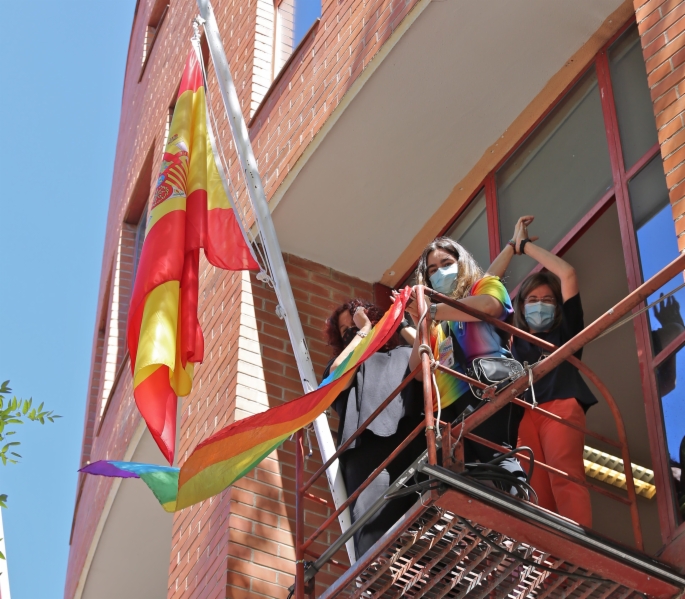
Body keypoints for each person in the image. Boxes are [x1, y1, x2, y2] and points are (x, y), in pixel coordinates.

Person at [487, 215, 597, 527]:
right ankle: (548, 569)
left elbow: (567, 273)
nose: (540, 305)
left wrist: (526, 247)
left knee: (565, 475)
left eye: (547, 300)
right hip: (524, 415)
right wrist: (510, 247)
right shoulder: (513, 340)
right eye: (532, 300)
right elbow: (486, 287)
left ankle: (579, 549)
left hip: (560, 404)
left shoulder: (567, 332)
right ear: (521, 308)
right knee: (535, 492)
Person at [405, 237, 524, 470]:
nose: (440, 272)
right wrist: (420, 322)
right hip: (448, 411)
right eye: (433, 270)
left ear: (462, 264)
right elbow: (417, 372)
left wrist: (433, 310)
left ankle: (518, 498)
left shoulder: (483, 285)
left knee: (499, 461)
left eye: (447, 263)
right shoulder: (434, 323)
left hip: (488, 388)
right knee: (455, 483)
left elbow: (489, 306)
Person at [323, 299, 423, 557]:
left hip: (411, 444)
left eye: (355, 324)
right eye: (346, 331)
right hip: (367, 454)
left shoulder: (402, 354)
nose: (352, 333)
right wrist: (363, 331)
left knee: (423, 525)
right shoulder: (350, 363)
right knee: (372, 530)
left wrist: (398, 323)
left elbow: (429, 351)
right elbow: (337, 377)